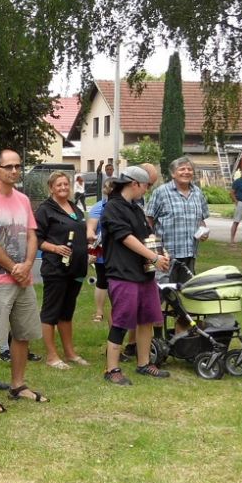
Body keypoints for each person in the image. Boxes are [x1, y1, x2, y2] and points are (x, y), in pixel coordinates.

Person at [0, 150, 48, 413]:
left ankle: (18, 385)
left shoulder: (23, 199)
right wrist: (13, 267)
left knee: (23, 333)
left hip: (23, 278)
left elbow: (32, 235)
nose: (14, 171)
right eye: (8, 167)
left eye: (18, 166)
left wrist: (27, 265)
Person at [100, 166, 171, 385]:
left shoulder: (136, 208)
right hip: (123, 274)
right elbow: (126, 237)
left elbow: (148, 236)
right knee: (121, 322)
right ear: (134, 183)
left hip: (144, 275)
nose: (146, 190)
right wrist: (154, 258)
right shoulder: (113, 208)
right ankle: (112, 369)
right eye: (146, 186)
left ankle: (144, 363)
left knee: (147, 319)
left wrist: (162, 253)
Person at [35, 172, 90, 368]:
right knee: (51, 312)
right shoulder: (45, 210)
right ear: (51, 188)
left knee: (67, 312)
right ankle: (52, 356)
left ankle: (70, 353)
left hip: (76, 268)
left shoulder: (74, 207)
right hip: (56, 268)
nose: (63, 187)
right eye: (59, 185)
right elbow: (36, 239)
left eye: (66, 184)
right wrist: (55, 248)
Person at [146, 155, 210, 281]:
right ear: (173, 174)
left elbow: (201, 220)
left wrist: (203, 232)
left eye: (189, 169)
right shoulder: (161, 192)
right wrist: (152, 252)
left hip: (190, 254)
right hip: (165, 256)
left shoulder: (198, 193)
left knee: (186, 290)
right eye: (182, 169)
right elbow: (148, 222)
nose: (186, 172)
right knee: (162, 289)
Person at [86, 195, 110, 324]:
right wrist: (91, 248)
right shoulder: (99, 207)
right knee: (102, 280)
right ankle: (99, 312)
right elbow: (91, 230)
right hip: (102, 251)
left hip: (121, 253)